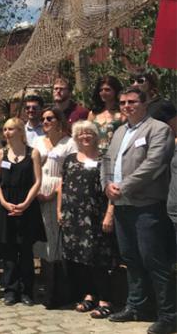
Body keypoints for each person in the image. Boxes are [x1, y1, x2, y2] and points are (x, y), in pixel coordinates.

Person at [102, 88, 176, 334]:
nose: (126, 106)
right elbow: (106, 161)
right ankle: (137, 306)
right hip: (122, 206)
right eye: (123, 102)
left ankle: (168, 315)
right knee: (131, 259)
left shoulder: (159, 129)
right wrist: (106, 185)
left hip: (147, 207)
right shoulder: (120, 131)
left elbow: (154, 164)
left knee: (154, 261)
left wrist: (123, 187)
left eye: (132, 101)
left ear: (144, 104)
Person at [57, 121, 119, 319]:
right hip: (73, 216)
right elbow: (62, 185)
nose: (85, 136)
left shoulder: (105, 159)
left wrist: (110, 213)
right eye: (81, 133)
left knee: (98, 259)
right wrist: (59, 210)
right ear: (75, 137)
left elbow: (112, 187)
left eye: (89, 133)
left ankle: (105, 300)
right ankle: (89, 294)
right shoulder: (69, 159)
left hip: (95, 216)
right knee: (79, 259)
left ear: (96, 135)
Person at [0, 118, 44, 307]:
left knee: (26, 251)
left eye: (11, 129)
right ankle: (11, 290)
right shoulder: (0, 154)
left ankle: (27, 291)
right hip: (5, 206)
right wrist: (4, 202)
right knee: (9, 251)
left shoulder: (33, 153)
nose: (7, 132)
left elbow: (37, 181)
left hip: (26, 206)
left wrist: (26, 203)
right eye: (4, 129)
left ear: (21, 131)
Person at [32, 107, 76, 308]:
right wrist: (36, 191)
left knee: (56, 241)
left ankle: (59, 292)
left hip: (58, 193)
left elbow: (72, 172)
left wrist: (54, 192)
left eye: (49, 118)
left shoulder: (70, 143)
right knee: (42, 241)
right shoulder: (38, 141)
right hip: (37, 193)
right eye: (43, 119)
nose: (45, 121)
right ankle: (43, 287)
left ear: (59, 120)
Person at [131, 71, 177, 136]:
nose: (135, 84)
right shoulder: (130, 108)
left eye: (140, 81)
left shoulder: (163, 105)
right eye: (132, 81)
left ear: (150, 83)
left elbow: (175, 133)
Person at [87, 75, 124, 156]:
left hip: (115, 155)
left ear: (116, 91)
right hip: (95, 156)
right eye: (101, 90)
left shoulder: (122, 113)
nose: (103, 92)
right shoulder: (93, 114)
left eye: (107, 90)